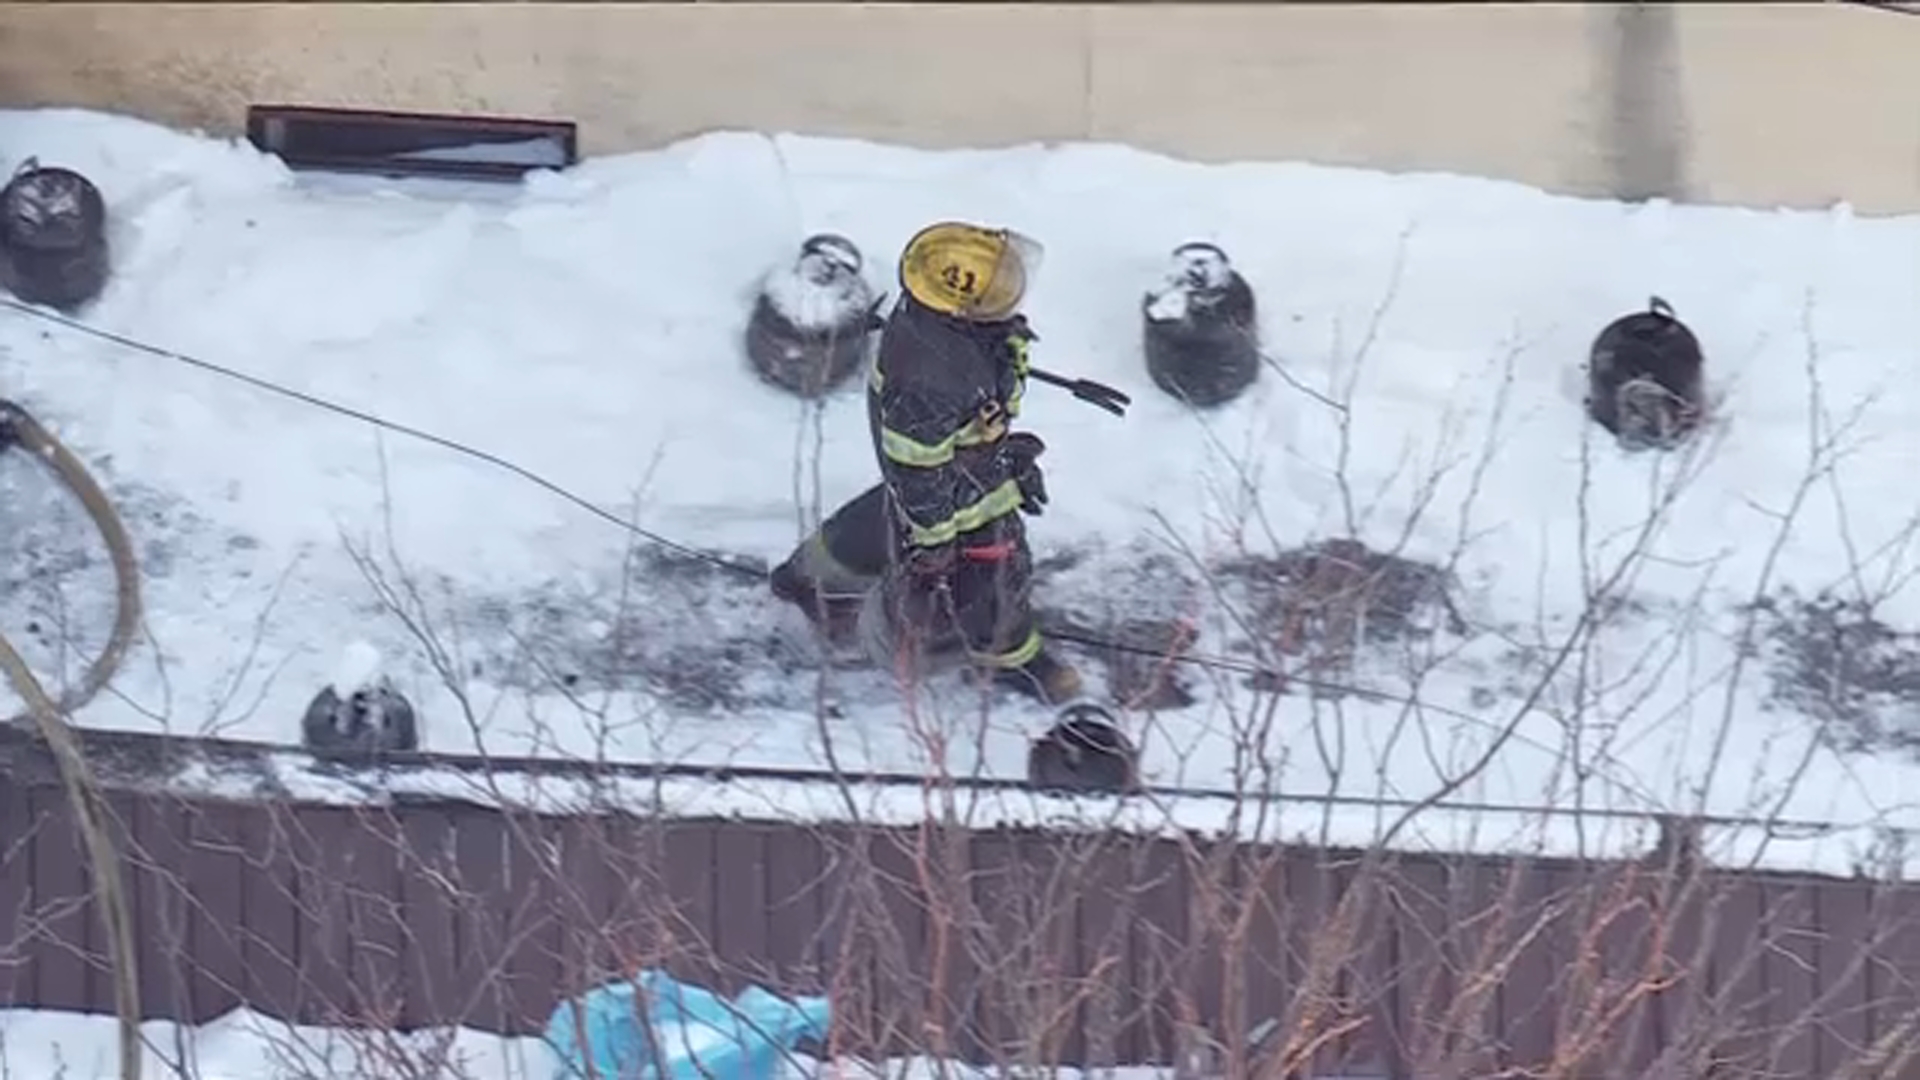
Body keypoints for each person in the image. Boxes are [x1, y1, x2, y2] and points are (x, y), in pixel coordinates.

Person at [770, 221, 1083, 706]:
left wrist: (1000, 449)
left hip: (956, 462)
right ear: (958, 310)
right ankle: (1011, 655)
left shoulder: (946, 332)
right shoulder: (928, 380)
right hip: (950, 483)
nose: (1009, 296)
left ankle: (808, 575)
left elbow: (919, 468)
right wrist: (937, 544)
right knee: (995, 575)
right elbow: (921, 478)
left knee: (893, 511)